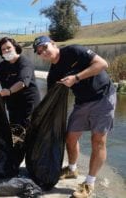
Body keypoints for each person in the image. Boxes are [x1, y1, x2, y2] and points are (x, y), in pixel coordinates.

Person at [33, 35, 116, 198]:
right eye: (39, 51)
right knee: (70, 138)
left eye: (44, 47)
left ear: (53, 44)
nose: (43, 52)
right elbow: (51, 100)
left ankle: (89, 183)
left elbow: (102, 64)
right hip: (81, 102)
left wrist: (76, 78)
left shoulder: (73, 50)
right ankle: (72, 170)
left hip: (103, 97)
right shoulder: (53, 74)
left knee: (98, 140)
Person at [0, 37, 40, 164]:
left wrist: (9, 91)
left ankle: (30, 160)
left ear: (15, 47)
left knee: (27, 129)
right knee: (16, 129)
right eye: (3, 49)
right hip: (12, 103)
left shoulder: (24, 62)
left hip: (28, 102)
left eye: (8, 48)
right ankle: (17, 158)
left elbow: (22, 82)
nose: (6, 50)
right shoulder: (3, 65)